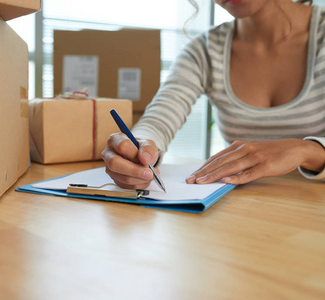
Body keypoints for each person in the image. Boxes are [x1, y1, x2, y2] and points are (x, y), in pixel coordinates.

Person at [102, 0, 325, 190]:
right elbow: (160, 118)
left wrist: (308, 150)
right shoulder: (205, 51)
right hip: (246, 212)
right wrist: (140, 146)